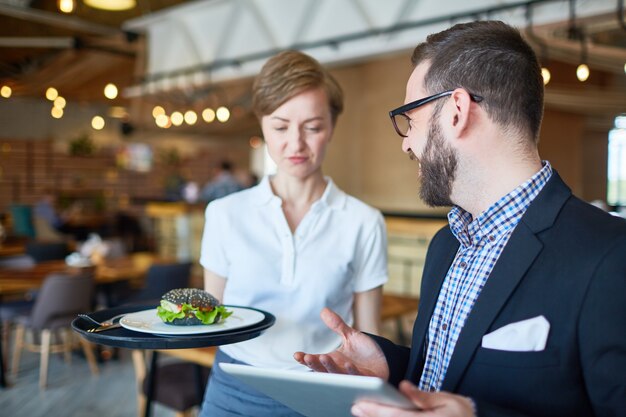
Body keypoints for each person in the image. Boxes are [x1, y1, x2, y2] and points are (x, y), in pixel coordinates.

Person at [294, 21, 626, 417]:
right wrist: (389, 363)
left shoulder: (611, 255)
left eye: (410, 119)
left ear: (456, 111)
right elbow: (450, 370)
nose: (406, 142)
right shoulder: (445, 245)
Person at [199, 50, 388, 416]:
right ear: (263, 125)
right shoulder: (224, 214)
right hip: (235, 385)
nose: (296, 144)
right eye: (280, 127)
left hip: (322, 388)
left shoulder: (363, 222)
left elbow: (369, 336)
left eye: (312, 127)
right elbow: (212, 318)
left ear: (332, 126)